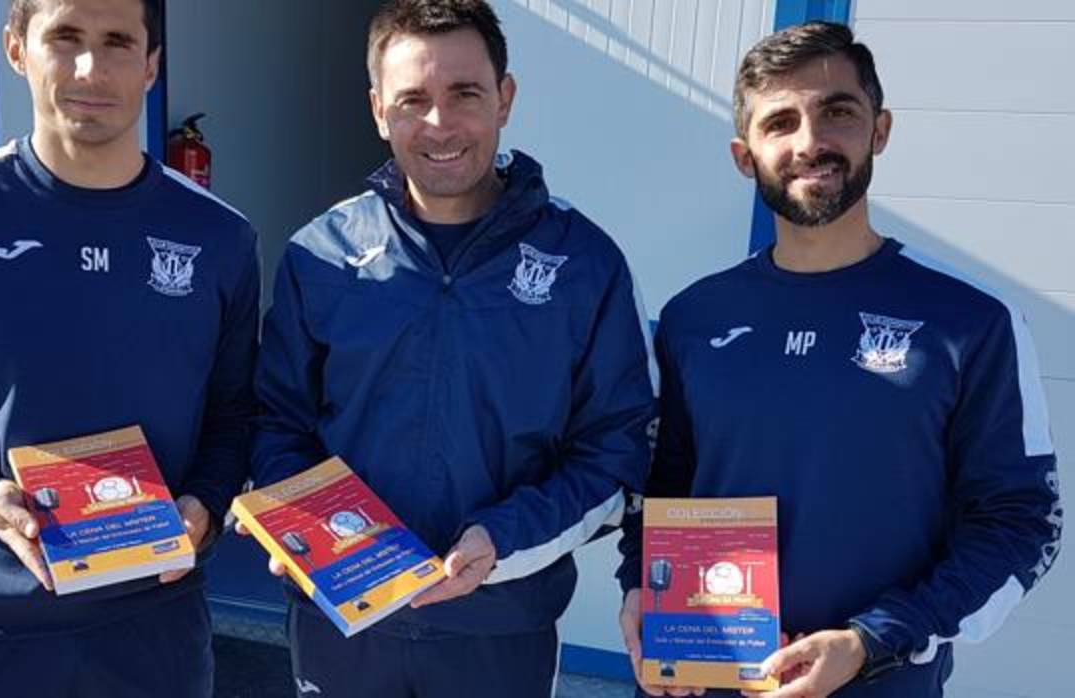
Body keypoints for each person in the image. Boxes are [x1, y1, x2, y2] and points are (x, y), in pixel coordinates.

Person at [617, 20, 1062, 698]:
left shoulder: (971, 322)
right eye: (780, 122)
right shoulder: (693, 318)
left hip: (882, 681)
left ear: (879, 130)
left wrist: (874, 638)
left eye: (837, 112)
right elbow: (660, 488)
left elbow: (1023, 521)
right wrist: (638, 590)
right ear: (745, 155)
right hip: (708, 680)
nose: (809, 142)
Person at [0, 0, 258, 696]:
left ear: (151, 65)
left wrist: (206, 503)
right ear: (14, 48)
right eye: (65, 36)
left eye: (119, 42)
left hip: (157, 628)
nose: (92, 68)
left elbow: (235, 413)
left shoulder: (220, 236)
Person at [245, 1, 655, 695]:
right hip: (340, 625)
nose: (439, 124)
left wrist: (502, 540)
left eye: (464, 93)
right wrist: (297, 522)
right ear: (379, 111)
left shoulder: (584, 263)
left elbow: (620, 452)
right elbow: (275, 421)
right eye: (412, 100)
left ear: (506, 98)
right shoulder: (320, 254)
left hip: (499, 631)